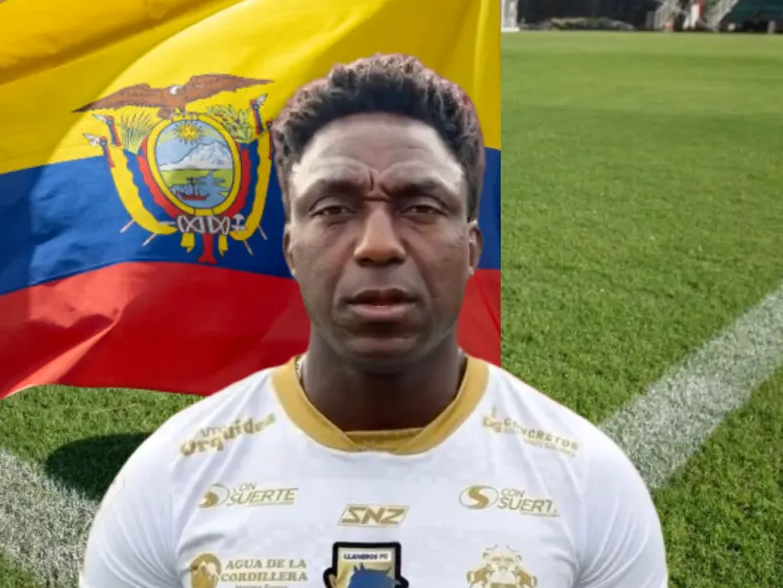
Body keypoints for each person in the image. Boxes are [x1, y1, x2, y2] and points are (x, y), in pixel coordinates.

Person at [80, 53, 668, 588]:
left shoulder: (589, 482)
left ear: (470, 249)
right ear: (291, 249)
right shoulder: (170, 476)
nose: (378, 244)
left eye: (421, 207)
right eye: (334, 208)